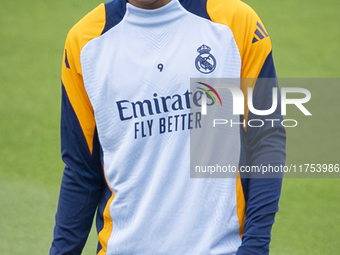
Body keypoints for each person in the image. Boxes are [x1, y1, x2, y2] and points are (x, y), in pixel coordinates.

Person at [50, 0, 286, 254]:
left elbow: (266, 139)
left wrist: (255, 246)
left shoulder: (236, 22)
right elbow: (81, 169)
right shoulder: (84, 42)